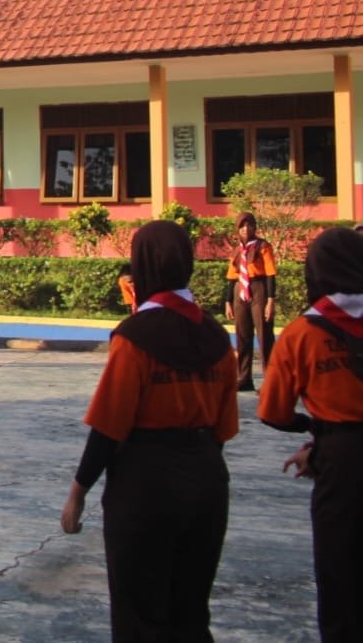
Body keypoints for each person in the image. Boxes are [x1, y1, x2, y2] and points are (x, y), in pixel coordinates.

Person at [61, 220, 239, 641]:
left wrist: (78, 491)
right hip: (207, 480)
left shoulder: (135, 337)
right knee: (191, 613)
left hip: (145, 483)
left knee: (140, 613)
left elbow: (109, 425)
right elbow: (223, 428)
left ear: (141, 267)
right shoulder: (217, 337)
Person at [257, 226, 363, 642]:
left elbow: (273, 412)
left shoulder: (303, 333)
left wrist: (319, 434)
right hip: (335, 446)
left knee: (340, 576)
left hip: (340, 463)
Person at [224, 212, 278, 392]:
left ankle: (270, 380)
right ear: (237, 229)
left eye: (249, 225)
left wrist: (270, 301)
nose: (246, 229)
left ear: (255, 227)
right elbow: (231, 278)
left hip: (259, 288)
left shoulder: (263, 246)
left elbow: (271, 274)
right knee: (242, 335)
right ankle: (244, 377)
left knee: (264, 334)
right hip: (240, 290)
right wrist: (228, 301)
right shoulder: (236, 250)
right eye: (242, 226)